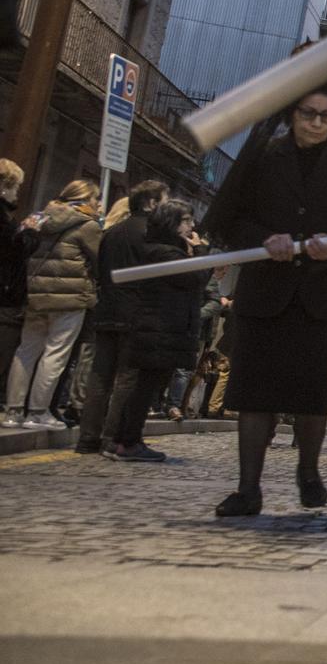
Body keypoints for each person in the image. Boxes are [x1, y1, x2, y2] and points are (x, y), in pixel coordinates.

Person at [201, 84, 327, 516]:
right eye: (308, 113)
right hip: (267, 289)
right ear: (292, 113)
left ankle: (309, 472)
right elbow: (230, 219)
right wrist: (264, 239)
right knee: (254, 390)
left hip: (323, 293)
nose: (316, 123)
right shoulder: (266, 156)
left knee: (312, 389)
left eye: (326, 116)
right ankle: (247, 487)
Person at [102, 201, 207, 461]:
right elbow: (196, 279)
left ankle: (123, 439)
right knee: (144, 387)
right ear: (171, 223)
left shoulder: (162, 250)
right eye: (186, 220)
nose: (192, 226)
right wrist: (203, 252)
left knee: (144, 386)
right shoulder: (165, 253)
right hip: (158, 327)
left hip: (159, 326)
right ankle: (128, 441)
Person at [73, 181, 167, 453]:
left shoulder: (111, 232)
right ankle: (112, 437)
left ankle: (87, 437)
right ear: (150, 203)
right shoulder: (153, 235)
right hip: (136, 312)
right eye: (164, 200)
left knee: (100, 375)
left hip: (107, 309)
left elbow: (100, 269)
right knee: (127, 377)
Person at [3, 181, 101, 428]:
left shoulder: (38, 217)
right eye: (95, 199)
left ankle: (13, 411)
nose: (98, 204)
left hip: (35, 295)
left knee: (26, 351)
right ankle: (38, 412)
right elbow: (100, 261)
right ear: (86, 199)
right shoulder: (87, 225)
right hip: (70, 298)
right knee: (55, 354)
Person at [0, 159, 33, 382]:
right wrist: (28, 232)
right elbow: (12, 247)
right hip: (5, 291)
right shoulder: (4, 220)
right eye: (16, 187)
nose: (17, 193)